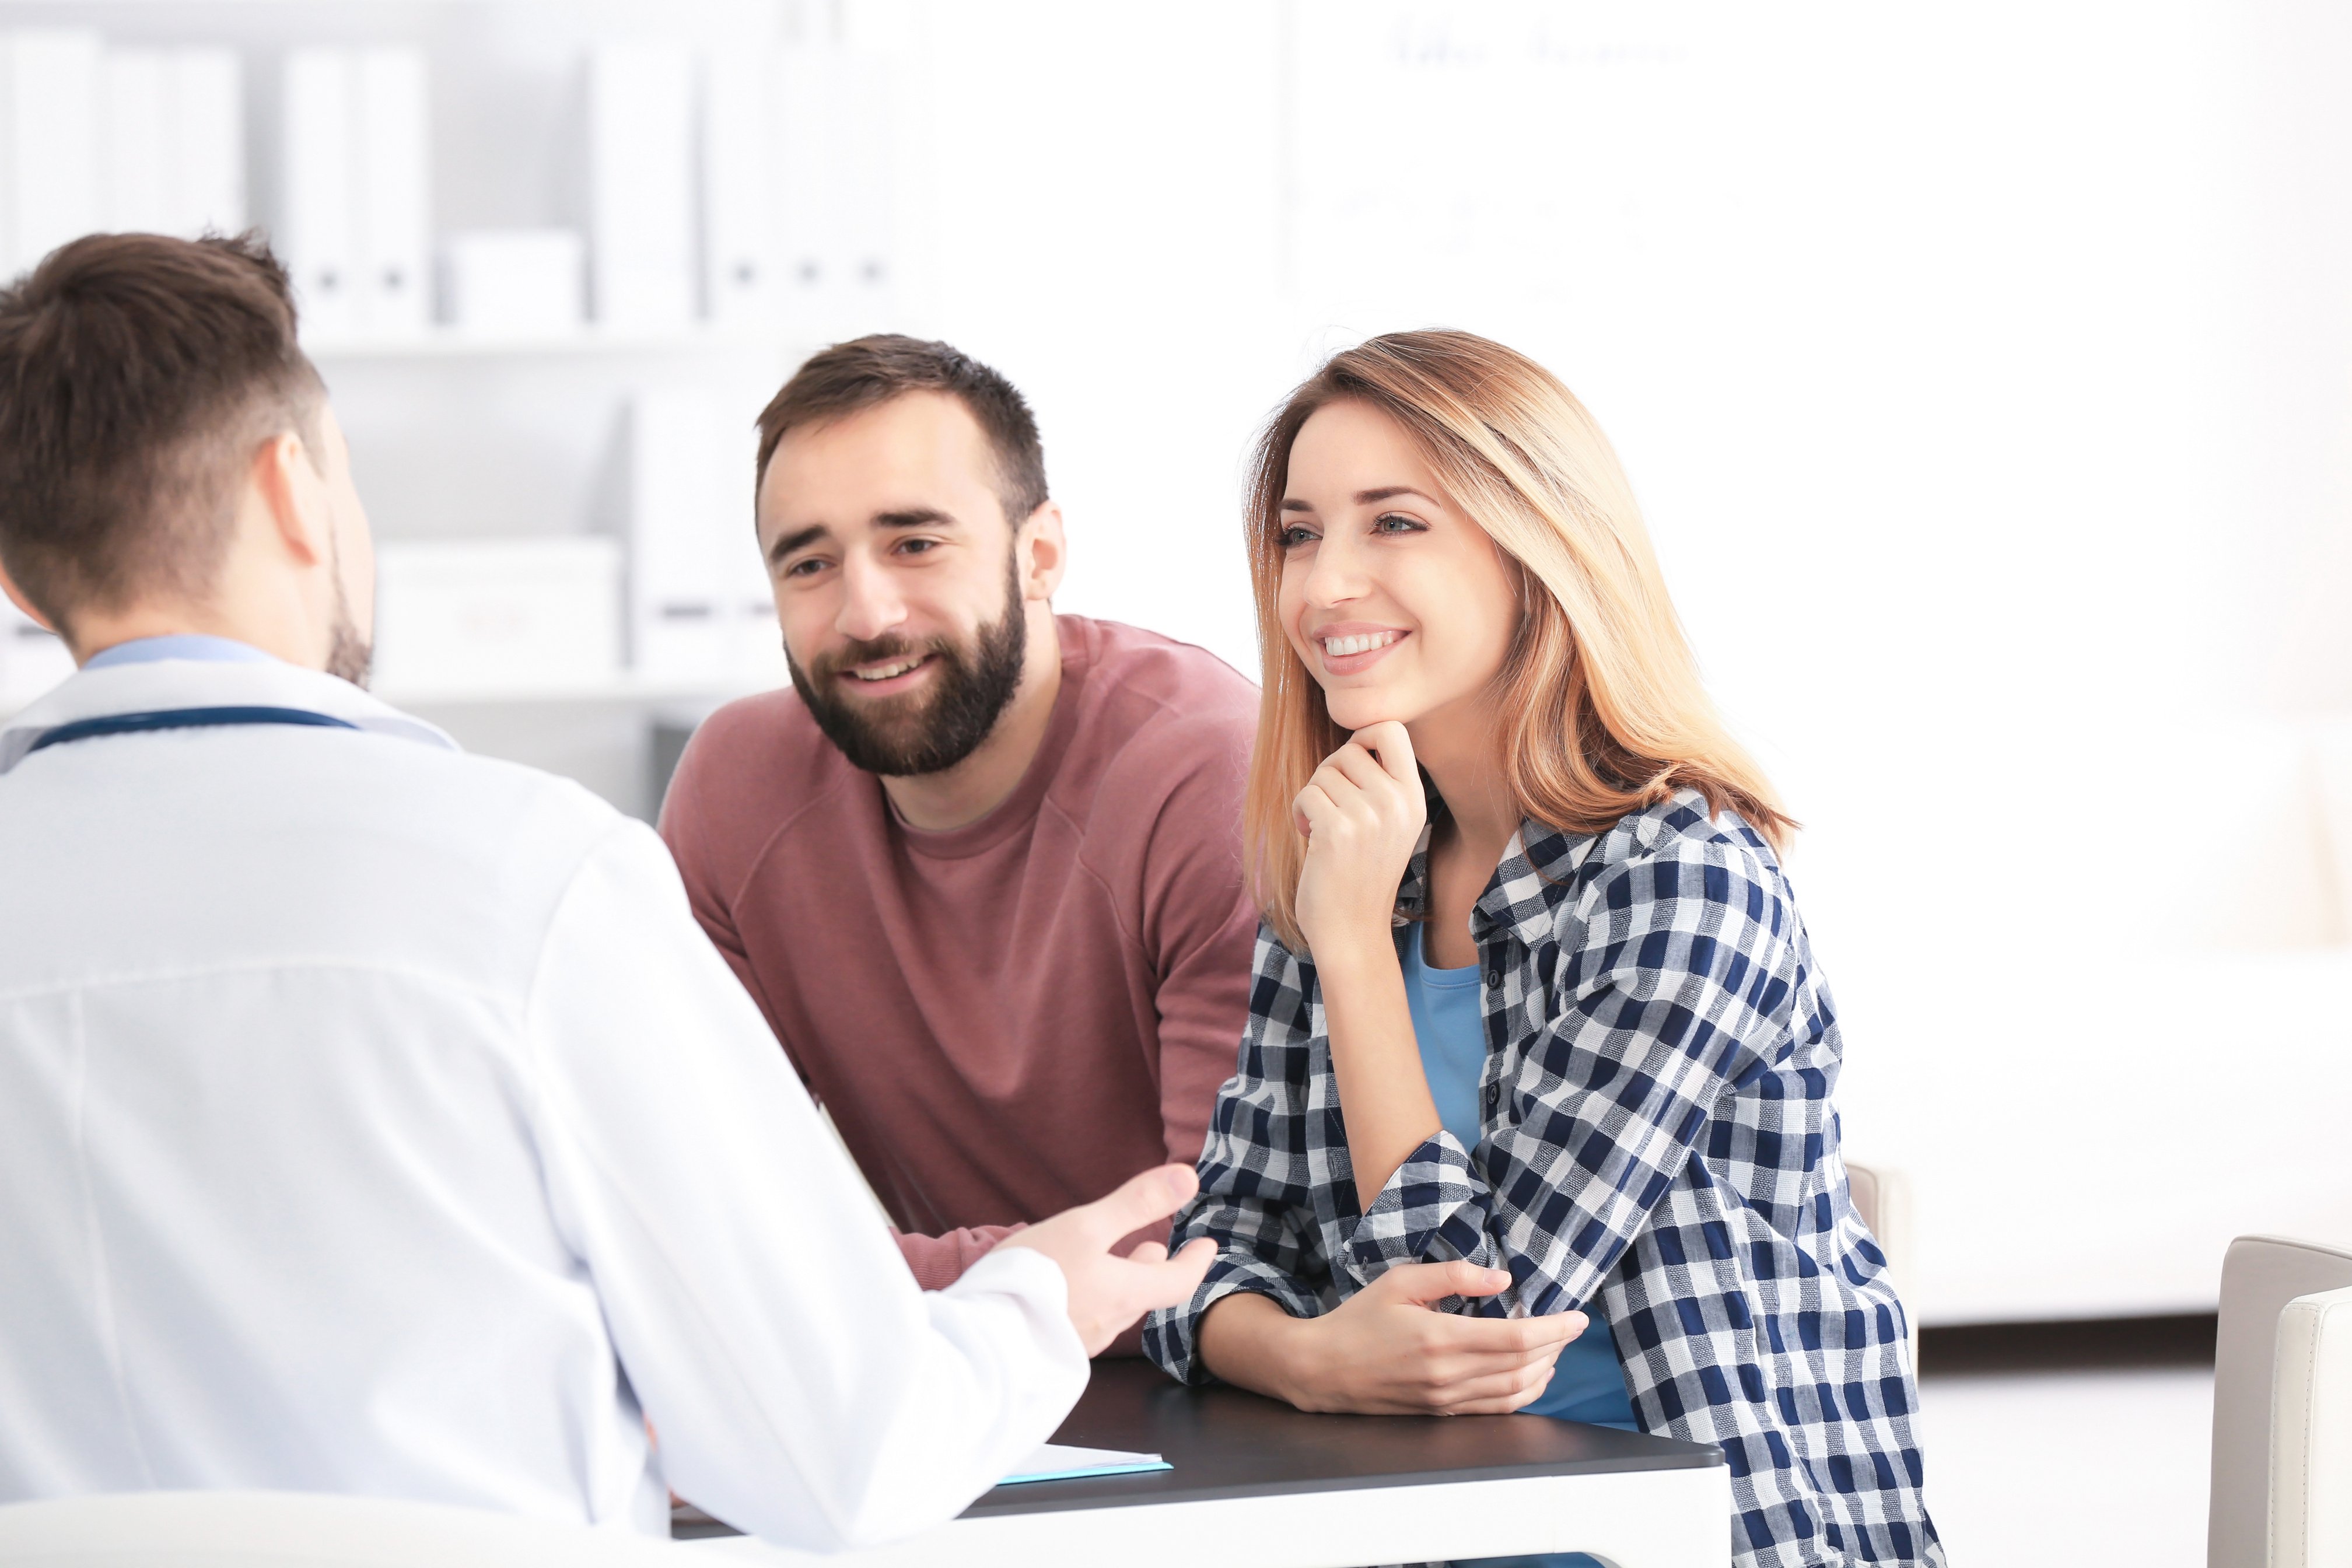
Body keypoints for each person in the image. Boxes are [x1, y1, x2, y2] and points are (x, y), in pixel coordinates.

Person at [0, 232, 1213, 1549]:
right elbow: (839, 1460)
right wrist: (1034, 1299)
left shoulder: (1182, 761)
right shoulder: (529, 883)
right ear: (296, 490)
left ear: (15, 575)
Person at [1144, 331, 1943, 1568]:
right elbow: (1209, 1253)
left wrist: (1355, 955)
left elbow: (1482, 1315)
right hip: (1415, 1529)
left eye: (1393, 523)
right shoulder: (1361, 855)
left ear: (1539, 548)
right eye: (1301, 534)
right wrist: (1301, 1356)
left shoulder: (1682, 875)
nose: (1322, 586)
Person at [656, 335, 1256, 1312]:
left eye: (915, 544)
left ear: (1040, 556)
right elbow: (684, 1217)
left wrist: (865, 1283)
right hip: (946, 1379)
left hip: (1220, 1390)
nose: (865, 612)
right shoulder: (739, 788)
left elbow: (1209, 1250)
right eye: (809, 563)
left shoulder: (1204, 769)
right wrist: (1002, 1287)